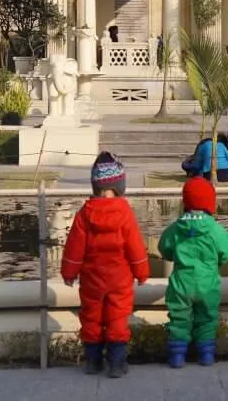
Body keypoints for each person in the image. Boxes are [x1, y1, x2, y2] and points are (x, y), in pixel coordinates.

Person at [61, 152, 150, 378]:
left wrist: (69, 272)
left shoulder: (84, 214)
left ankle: (93, 362)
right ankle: (117, 364)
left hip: (92, 278)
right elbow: (135, 246)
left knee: (91, 316)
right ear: (120, 185)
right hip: (119, 278)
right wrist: (142, 271)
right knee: (118, 317)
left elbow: (74, 246)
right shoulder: (125, 213)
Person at [159, 177, 228, 368]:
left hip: (181, 283)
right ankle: (206, 355)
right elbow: (226, 252)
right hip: (207, 283)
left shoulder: (175, 228)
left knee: (179, 318)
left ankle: (177, 357)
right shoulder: (215, 229)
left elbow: (165, 248)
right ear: (211, 202)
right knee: (207, 318)